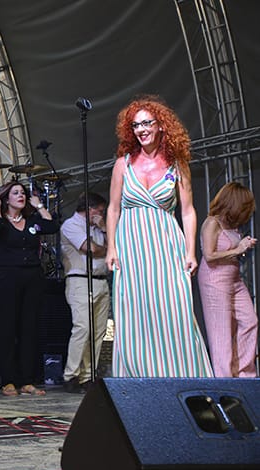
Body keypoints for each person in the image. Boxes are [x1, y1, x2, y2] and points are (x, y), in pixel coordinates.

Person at [104, 95, 213, 378]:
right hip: (131, 246)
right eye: (136, 125)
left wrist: (190, 251)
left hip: (166, 244)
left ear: (161, 125)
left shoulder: (177, 164)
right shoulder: (123, 164)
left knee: (174, 308)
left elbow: (188, 211)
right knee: (135, 310)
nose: (141, 130)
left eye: (147, 123)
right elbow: (113, 209)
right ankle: (139, 377)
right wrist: (111, 247)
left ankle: (181, 374)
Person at [0, 181, 58, 397]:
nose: (21, 196)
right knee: (7, 328)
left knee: (29, 328)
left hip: (32, 278)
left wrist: (39, 206)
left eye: (23, 193)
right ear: (6, 199)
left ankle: (27, 380)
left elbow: (52, 226)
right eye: (15, 193)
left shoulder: (31, 220)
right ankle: (8, 380)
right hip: (7, 278)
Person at [197, 182, 257, 377]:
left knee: (250, 321)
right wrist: (238, 249)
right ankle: (225, 378)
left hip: (234, 279)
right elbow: (209, 255)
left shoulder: (232, 225)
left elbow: (233, 250)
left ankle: (244, 373)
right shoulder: (212, 223)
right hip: (214, 280)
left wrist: (244, 245)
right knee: (221, 332)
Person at [60, 192, 110, 393]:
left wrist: (104, 229)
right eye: (100, 211)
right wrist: (107, 248)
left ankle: (88, 375)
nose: (101, 214)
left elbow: (115, 247)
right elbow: (91, 249)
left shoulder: (99, 228)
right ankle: (71, 374)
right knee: (82, 328)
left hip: (101, 280)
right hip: (80, 280)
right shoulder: (71, 225)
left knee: (98, 332)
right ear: (90, 209)